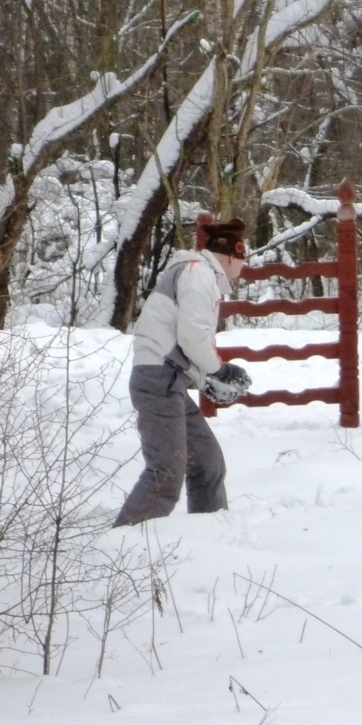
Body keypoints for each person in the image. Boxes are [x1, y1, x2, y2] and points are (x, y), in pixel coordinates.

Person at [114, 220, 252, 527]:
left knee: (206, 463)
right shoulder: (198, 275)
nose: (243, 265)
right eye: (244, 257)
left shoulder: (198, 275)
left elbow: (180, 347)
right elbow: (191, 338)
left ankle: (209, 536)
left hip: (169, 380)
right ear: (231, 255)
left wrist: (207, 382)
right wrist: (222, 370)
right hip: (158, 381)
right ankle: (123, 542)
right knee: (166, 472)